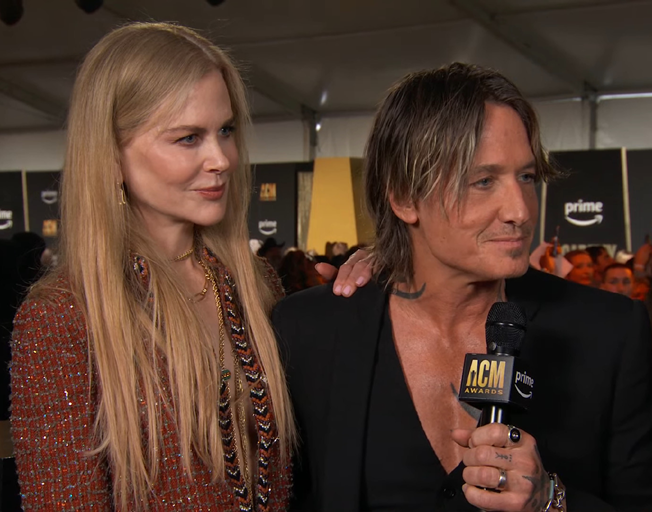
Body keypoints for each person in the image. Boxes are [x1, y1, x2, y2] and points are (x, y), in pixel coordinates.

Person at [273, 63, 652, 511]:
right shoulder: (307, 332)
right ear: (404, 197)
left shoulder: (609, 332)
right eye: (484, 181)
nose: (520, 210)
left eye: (527, 177)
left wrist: (550, 500)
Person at [11, 22, 304, 510]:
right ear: (112, 153)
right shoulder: (61, 317)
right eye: (188, 138)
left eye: (225, 130)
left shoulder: (253, 284)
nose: (221, 159)